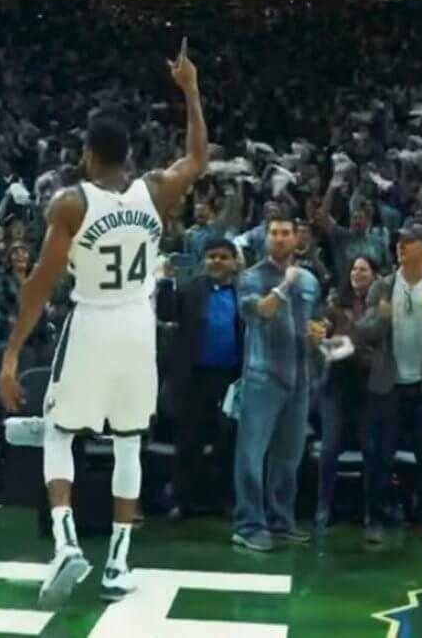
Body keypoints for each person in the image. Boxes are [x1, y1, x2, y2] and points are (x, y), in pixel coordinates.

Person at [0, 39, 207, 607]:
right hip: (139, 324)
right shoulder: (155, 191)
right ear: (129, 154)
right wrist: (190, 90)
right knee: (129, 441)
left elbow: (39, 285)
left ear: (89, 153)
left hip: (92, 321)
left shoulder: (71, 203)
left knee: (59, 430)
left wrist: (12, 353)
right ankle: (117, 562)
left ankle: (66, 543)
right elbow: (197, 157)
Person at [356, 223, 422, 546]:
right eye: (399, 241)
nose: (401, 246)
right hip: (388, 385)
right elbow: (365, 332)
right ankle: (375, 520)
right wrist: (382, 317)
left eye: (409, 242)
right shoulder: (383, 287)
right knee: (380, 457)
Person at [232, 215, 324, 551]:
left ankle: (280, 521)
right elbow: (257, 312)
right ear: (266, 238)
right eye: (274, 233)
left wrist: (318, 333)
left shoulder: (310, 280)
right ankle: (248, 525)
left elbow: (316, 320)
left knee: (288, 457)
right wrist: (284, 286)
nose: (280, 238)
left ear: (297, 238)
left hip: (300, 377)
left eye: (286, 233)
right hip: (262, 378)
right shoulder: (251, 277)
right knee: (251, 455)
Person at [159, 237, 243, 520]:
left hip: (230, 378)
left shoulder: (243, 292)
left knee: (228, 441)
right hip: (194, 378)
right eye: (212, 256)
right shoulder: (190, 288)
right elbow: (166, 313)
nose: (217, 261)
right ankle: (182, 501)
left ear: (234, 262)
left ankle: (226, 501)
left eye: (223, 257)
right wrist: (166, 282)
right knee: (188, 441)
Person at [315, 255, 378, 536]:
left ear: (375, 275)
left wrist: (359, 349)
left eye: (363, 269)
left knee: (371, 449)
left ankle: (371, 512)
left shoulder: (381, 307)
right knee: (329, 448)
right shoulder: (335, 308)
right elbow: (322, 336)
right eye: (354, 269)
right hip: (336, 386)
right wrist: (325, 340)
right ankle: (323, 508)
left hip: (369, 388)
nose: (357, 273)